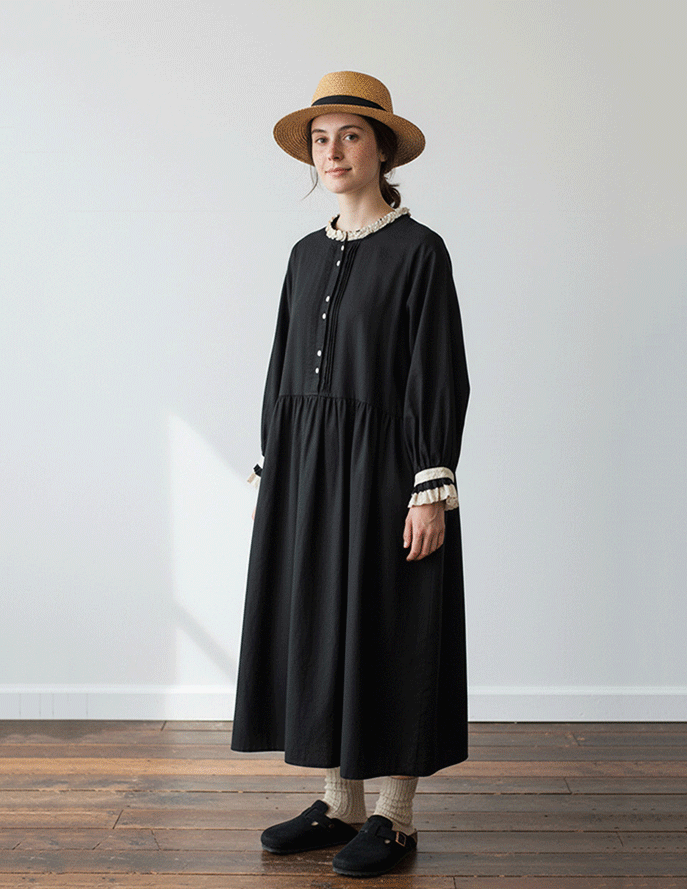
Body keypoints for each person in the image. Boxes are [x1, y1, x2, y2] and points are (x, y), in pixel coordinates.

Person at [231, 71, 470, 878]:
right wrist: (274, 464)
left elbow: (437, 372)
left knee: (391, 624)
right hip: (307, 467)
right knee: (325, 623)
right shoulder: (303, 255)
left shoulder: (419, 251)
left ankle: (393, 818)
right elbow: (280, 368)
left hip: (386, 469)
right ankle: (338, 802)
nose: (331, 152)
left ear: (381, 150)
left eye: (349, 136)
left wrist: (429, 484)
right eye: (319, 139)